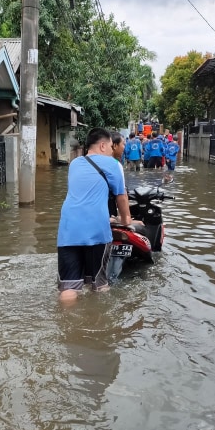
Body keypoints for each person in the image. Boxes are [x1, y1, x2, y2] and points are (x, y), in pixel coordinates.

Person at [57, 128, 134, 302]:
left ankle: (68, 325)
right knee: (99, 285)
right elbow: (121, 197)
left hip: (68, 231)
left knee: (68, 289)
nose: (111, 151)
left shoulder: (74, 163)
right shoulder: (114, 165)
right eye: (109, 147)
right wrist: (126, 220)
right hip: (96, 230)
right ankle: (99, 322)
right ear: (102, 146)